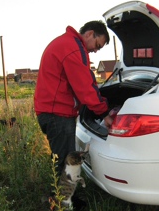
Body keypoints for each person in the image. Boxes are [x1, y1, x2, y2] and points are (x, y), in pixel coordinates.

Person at [34, 20, 113, 176]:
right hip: (57, 114)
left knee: (64, 160)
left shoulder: (67, 43)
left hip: (52, 111)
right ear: (90, 34)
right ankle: (59, 199)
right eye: (98, 45)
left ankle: (65, 197)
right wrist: (104, 113)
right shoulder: (73, 48)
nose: (96, 51)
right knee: (64, 162)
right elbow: (85, 87)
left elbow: (80, 83)